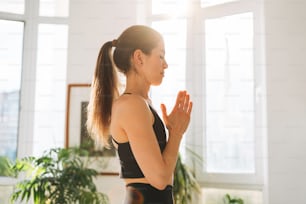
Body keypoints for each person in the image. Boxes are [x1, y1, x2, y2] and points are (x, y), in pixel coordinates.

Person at [87, 25, 192, 204]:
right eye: (160, 56)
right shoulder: (132, 105)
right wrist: (176, 134)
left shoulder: (141, 104)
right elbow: (159, 179)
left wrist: (174, 130)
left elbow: (163, 176)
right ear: (139, 58)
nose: (165, 64)